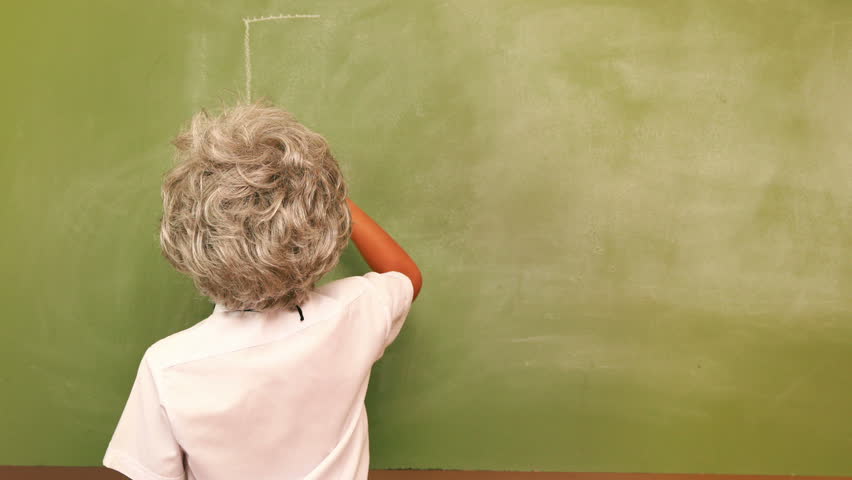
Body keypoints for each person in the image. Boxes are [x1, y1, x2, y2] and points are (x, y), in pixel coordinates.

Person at [102, 100, 423, 480]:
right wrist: (322, 197)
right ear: (319, 224)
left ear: (187, 236)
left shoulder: (169, 366)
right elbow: (405, 274)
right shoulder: (353, 312)